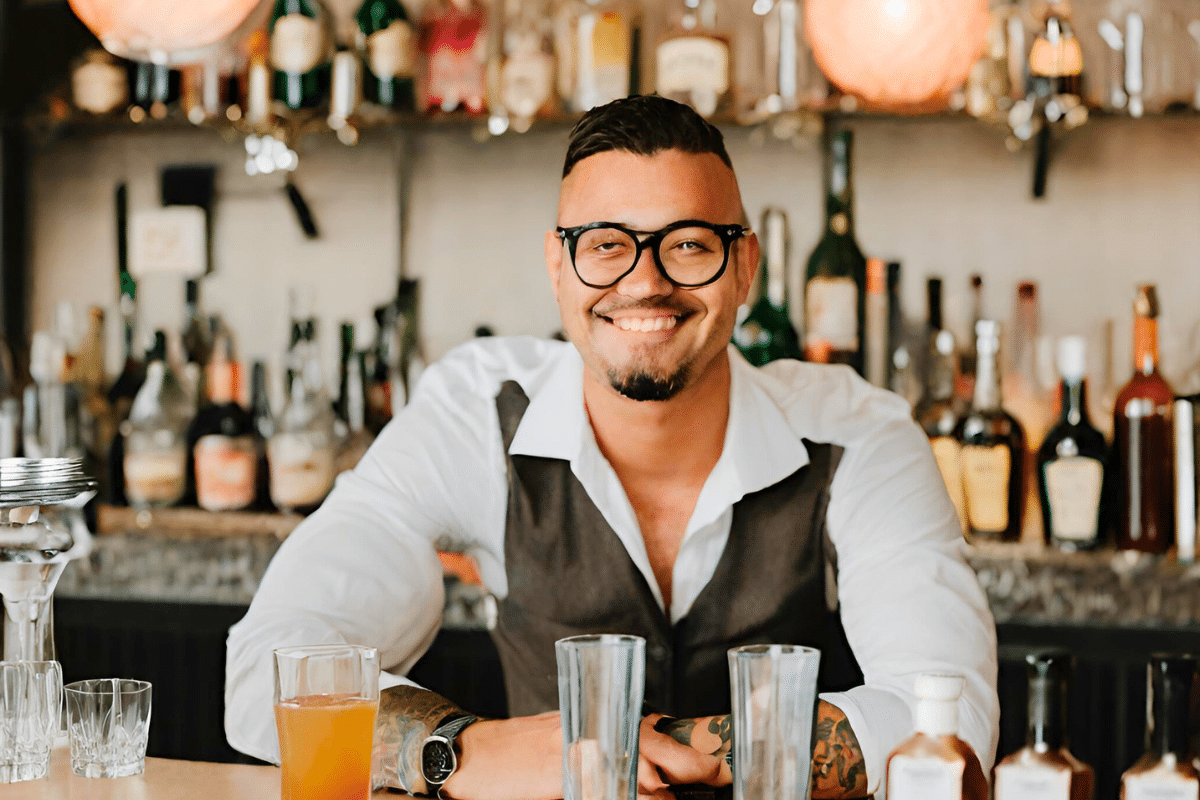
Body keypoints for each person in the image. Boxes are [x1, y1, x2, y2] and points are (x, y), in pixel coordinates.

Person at [225, 95, 999, 799]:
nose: (644, 281)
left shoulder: (857, 435)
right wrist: (461, 751)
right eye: (604, 245)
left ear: (745, 268)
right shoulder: (477, 415)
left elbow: (951, 717)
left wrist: (632, 749)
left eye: (689, 244)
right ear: (557, 267)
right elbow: (267, 669)